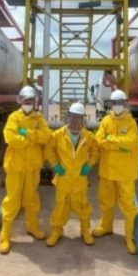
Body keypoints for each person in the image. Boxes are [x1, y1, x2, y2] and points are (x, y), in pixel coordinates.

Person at [0, 85, 52, 255]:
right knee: (12, 201)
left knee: (31, 198)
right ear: (20, 101)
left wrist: (27, 133)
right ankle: (5, 236)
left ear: (35, 102)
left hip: (32, 167)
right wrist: (32, 139)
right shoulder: (14, 118)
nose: (28, 103)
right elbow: (10, 138)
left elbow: (46, 136)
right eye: (26, 100)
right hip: (15, 167)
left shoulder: (39, 118)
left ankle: (32, 227)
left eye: (31, 100)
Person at [45, 102, 99, 247]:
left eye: (79, 118)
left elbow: (96, 151)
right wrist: (55, 165)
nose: (75, 121)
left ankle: (85, 231)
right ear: (68, 117)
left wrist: (89, 165)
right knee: (60, 208)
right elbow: (48, 150)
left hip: (80, 181)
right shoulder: (57, 135)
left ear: (83, 119)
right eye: (73, 117)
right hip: (63, 180)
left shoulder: (89, 137)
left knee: (83, 207)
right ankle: (56, 231)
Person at [93, 89, 138, 254]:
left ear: (125, 103)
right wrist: (120, 146)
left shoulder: (131, 123)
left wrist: (111, 140)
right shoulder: (106, 121)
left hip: (125, 173)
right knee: (105, 201)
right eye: (114, 103)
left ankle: (129, 237)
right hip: (107, 171)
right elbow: (99, 140)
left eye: (120, 103)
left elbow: (131, 143)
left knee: (128, 205)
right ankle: (106, 226)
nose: (117, 106)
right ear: (110, 104)